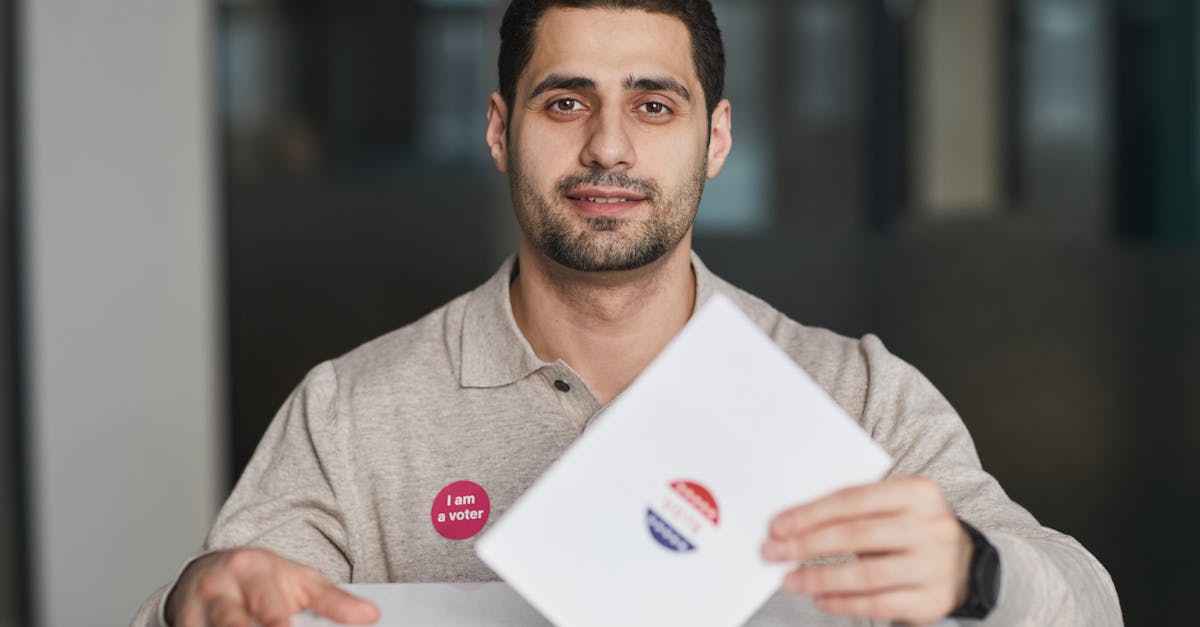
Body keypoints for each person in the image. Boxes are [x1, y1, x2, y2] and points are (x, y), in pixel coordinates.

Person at [134, 1, 1122, 625]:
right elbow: (235, 596)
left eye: (654, 105)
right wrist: (195, 602)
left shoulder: (850, 392)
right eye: (566, 103)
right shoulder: (349, 412)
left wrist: (975, 577)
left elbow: (1089, 605)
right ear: (498, 129)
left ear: (716, 137)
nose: (609, 147)